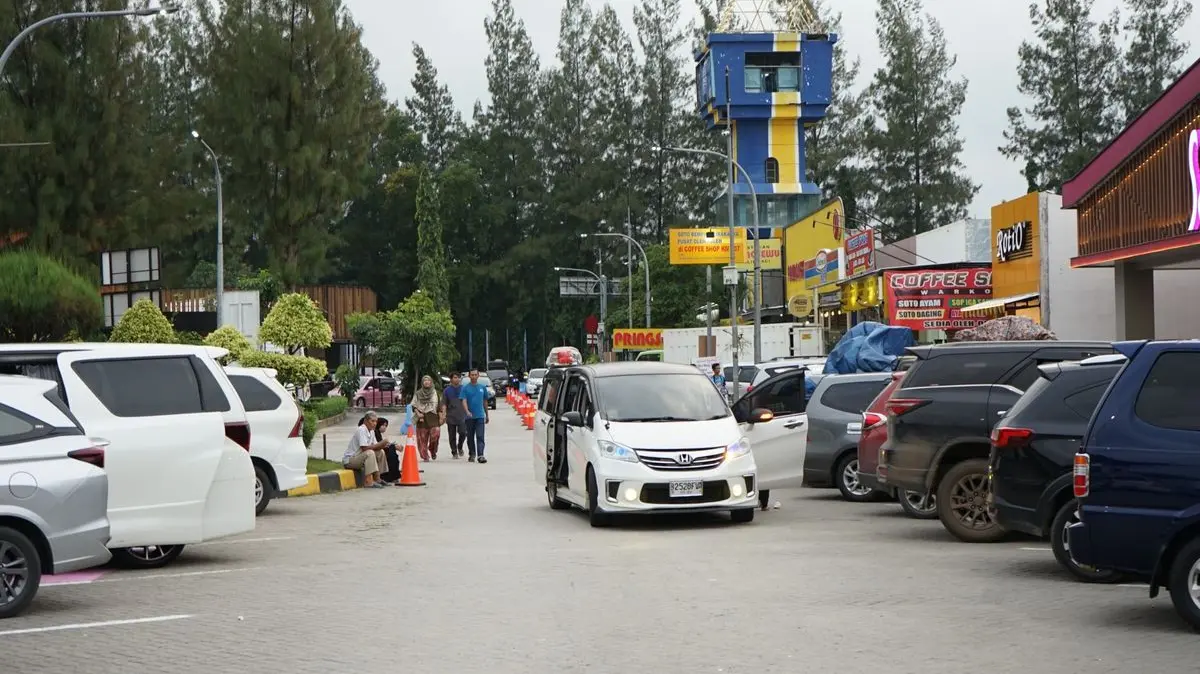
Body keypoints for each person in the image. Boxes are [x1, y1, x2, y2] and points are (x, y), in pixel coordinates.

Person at [343, 410, 389, 488]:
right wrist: (381, 443)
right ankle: (368, 481)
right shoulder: (361, 429)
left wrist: (383, 445)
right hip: (350, 460)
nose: (375, 423)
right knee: (370, 453)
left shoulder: (372, 431)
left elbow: (375, 446)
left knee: (380, 452)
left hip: (360, 457)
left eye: (376, 421)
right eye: (372, 421)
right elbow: (364, 448)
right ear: (366, 421)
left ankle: (378, 478)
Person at [460, 368, 490, 464]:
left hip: (480, 416)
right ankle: (472, 454)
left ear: (478, 376)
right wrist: (467, 411)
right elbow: (463, 400)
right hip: (469, 417)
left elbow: (485, 401)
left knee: (480, 436)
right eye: (471, 375)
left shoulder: (482, 387)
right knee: (470, 437)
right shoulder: (465, 388)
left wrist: (487, 414)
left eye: (475, 375)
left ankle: (480, 455)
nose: (473, 376)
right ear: (469, 376)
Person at [413, 375, 442, 461]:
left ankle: (432, 450)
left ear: (431, 382)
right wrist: (418, 413)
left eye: (428, 380)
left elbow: (439, 406)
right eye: (424, 380)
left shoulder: (435, 393)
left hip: (434, 418)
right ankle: (425, 456)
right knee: (422, 439)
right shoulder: (418, 393)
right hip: (422, 418)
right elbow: (414, 406)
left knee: (436, 434)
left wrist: (441, 417)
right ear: (422, 382)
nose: (426, 382)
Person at [442, 372, 467, 459]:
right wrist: (444, 414)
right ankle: (454, 451)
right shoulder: (447, 391)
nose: (457, 379)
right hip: (451, 415)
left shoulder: (464, 389)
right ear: (451, 379)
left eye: (458, 377)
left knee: (463, 432)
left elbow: (467, 401)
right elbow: (444, 404)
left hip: (462, 415)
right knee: (452, 435)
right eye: (455, 377)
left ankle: (459, 446)